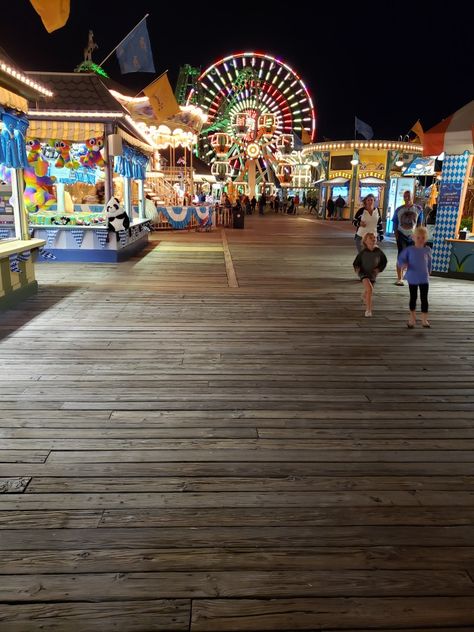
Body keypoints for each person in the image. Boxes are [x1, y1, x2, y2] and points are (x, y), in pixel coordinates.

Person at [397, 226, 432, 329]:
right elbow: (400, 259)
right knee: (413, 297)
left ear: (426, 239)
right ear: (413, 237)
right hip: (412, 277)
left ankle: (424, 319)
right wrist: (403, 264)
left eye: (423, 238)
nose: (420, 240)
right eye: (418, 237)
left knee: (424, 298)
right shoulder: (409, 250)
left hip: (424, 277)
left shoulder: (427, 250)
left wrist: (429, 271)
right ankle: (412, 318)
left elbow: (429, 262)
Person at [353, 232, 387, 318]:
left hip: (372, 274)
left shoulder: (378, 251)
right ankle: (368, 310)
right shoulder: (363, 252)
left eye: (374, 238)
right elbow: (356, 263)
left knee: (368, 290)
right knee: (370, 289)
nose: (373, 239)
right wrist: (357, 269)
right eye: (370, 238)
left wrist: (379, 269)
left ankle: (364, 296)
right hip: (363, 272)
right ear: (365, 241)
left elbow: (384, 261)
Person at [393, 190, 423, 285]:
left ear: (412, 197)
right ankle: (399, 278)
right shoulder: (398, 209)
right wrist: (396, 235)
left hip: (413, 236)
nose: (406, 198)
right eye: (405, 196)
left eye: (408, 196)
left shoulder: (418, 209)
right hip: (402, 235)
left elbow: (419, 224)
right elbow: (395, 222)